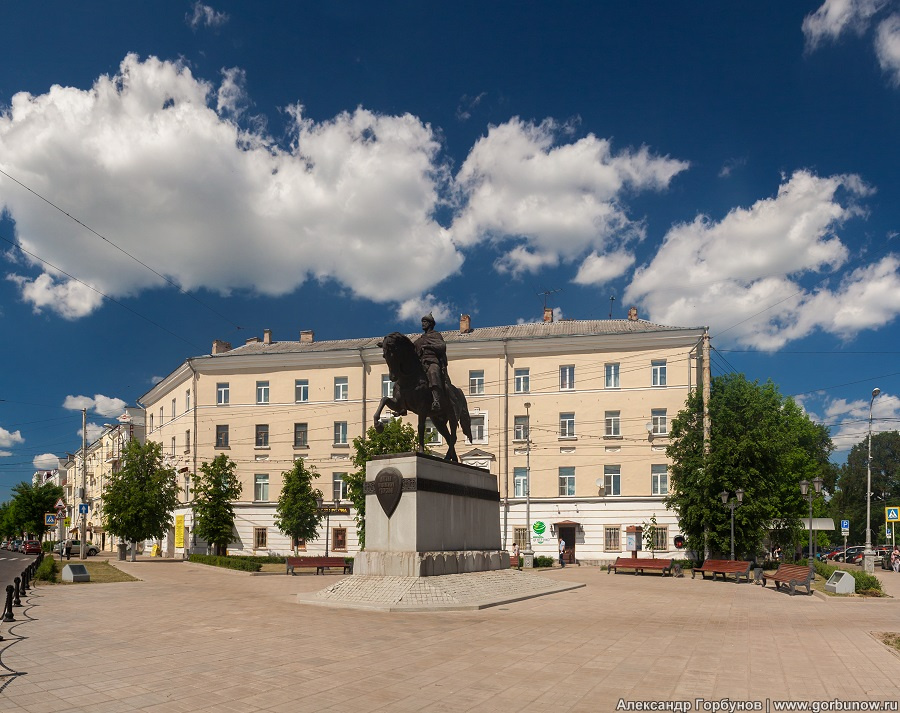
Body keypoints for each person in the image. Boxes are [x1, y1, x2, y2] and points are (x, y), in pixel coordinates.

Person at [413, 313, 448, 412]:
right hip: (421, 364)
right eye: (422, 322)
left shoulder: (436, 335)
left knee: (433, 372)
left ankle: (436, 400)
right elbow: (412, 350)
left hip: (432, 361)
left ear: (430, 323)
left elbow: (442, 346)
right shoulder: (420, 340)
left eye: (425, 322)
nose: (423, 324)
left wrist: (429, 346)